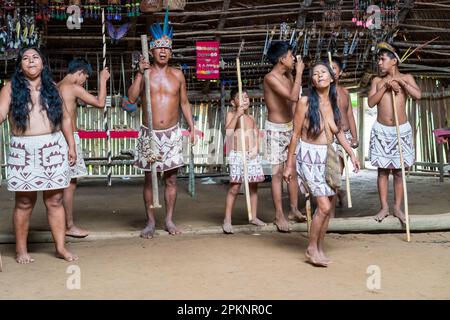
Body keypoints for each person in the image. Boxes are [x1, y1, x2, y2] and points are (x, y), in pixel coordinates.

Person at [0, 47, 78, 263]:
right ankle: (21, 249)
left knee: (55, 200)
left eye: (35, 57)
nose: (31, 61)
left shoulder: (52, 88)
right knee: (24, 202)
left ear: (43, 63)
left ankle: (61, 247)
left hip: (52, 148)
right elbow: (0, 112)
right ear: (20, 65)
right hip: (23, 151)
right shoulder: (10, 89)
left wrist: (71, 146)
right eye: (25, 58)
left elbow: (65, 119)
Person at [283, 61, 360, 267]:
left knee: (327, 207)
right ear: (312, 81)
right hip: (308, 157)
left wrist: (352, 154)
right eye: (315, 74)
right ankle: (311, 248)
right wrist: (289, 165)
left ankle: (319, 247)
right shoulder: (305, 102)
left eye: (323, 72)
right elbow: (295, 134)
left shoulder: (334, 101)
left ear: (332, 77)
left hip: (326, 155)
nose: (320, 76)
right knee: (324, 207)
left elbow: (337, 131)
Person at [128, 11, 195, 238]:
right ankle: (150, 222)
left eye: (166, 47)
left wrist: (192, 127)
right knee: (149, 178)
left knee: (172, 178)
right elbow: (131, 98)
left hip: (172, 133)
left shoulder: (178, 75)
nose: (163, 51)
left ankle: (168, 220)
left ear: (171, 51)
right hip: (150, 134)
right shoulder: (145, 74)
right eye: (159, 47)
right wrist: (139, 73)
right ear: (152, 51)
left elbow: (184, 103)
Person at [368, 42, 421, 223]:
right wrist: (385, 86)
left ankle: (397, 208)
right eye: (379, 60)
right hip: (382, 131)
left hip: (401, 130)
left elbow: (418, 95)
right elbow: (371, 102)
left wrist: (401, 84)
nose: (379, 63)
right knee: (382, 172)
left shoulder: (407, 77)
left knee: (399, 172)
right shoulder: (377, 81)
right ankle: (384, 207)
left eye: (382, 59)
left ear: (394, 62)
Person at [58, 58, 110, 238]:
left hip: (56, 139)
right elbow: (100, 103)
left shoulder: (56, 87)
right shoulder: (73, 88)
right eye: (85, 77)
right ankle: (68, 225)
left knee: (60, 184)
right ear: (79, 72)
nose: (84, 81)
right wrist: (103, 80)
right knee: (70, 184)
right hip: (69, 139)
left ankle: (60, 224)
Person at [263, 41, 306, 232]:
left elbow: (296, 102)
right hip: (275, 129)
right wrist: (300, 73)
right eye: (291, 56)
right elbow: (292, 97)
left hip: (290, 128)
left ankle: (294, 210)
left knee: (293, 169)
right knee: (277, 173)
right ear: (282, 59)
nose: (294, 58)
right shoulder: (270, 78)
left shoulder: (288, 75)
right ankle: (279, 214)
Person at [223, 88, 266, 234]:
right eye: (240, 97)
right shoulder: (230, 115)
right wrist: (237, 115)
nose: (245, 99)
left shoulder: (252, 118)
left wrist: (256, 149)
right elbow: (228, 133)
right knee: (235, 187)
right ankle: (227, 219)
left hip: (251, 156)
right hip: (237, 155)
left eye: (246, 97)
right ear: (233, 102)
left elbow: (257, 136)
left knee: (253, 186)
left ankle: (253, 216)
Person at [330, 56, 359, 208]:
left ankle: (332, 210)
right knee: (330, 173)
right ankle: (338, 194)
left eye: (334, 68)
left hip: (345, 135)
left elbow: (350, 115)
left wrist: (354, 137)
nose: (331, 70)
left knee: (337, 172)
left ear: (340, 72)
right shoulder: (322, 93)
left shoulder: (345, 92)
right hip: (329, 137)